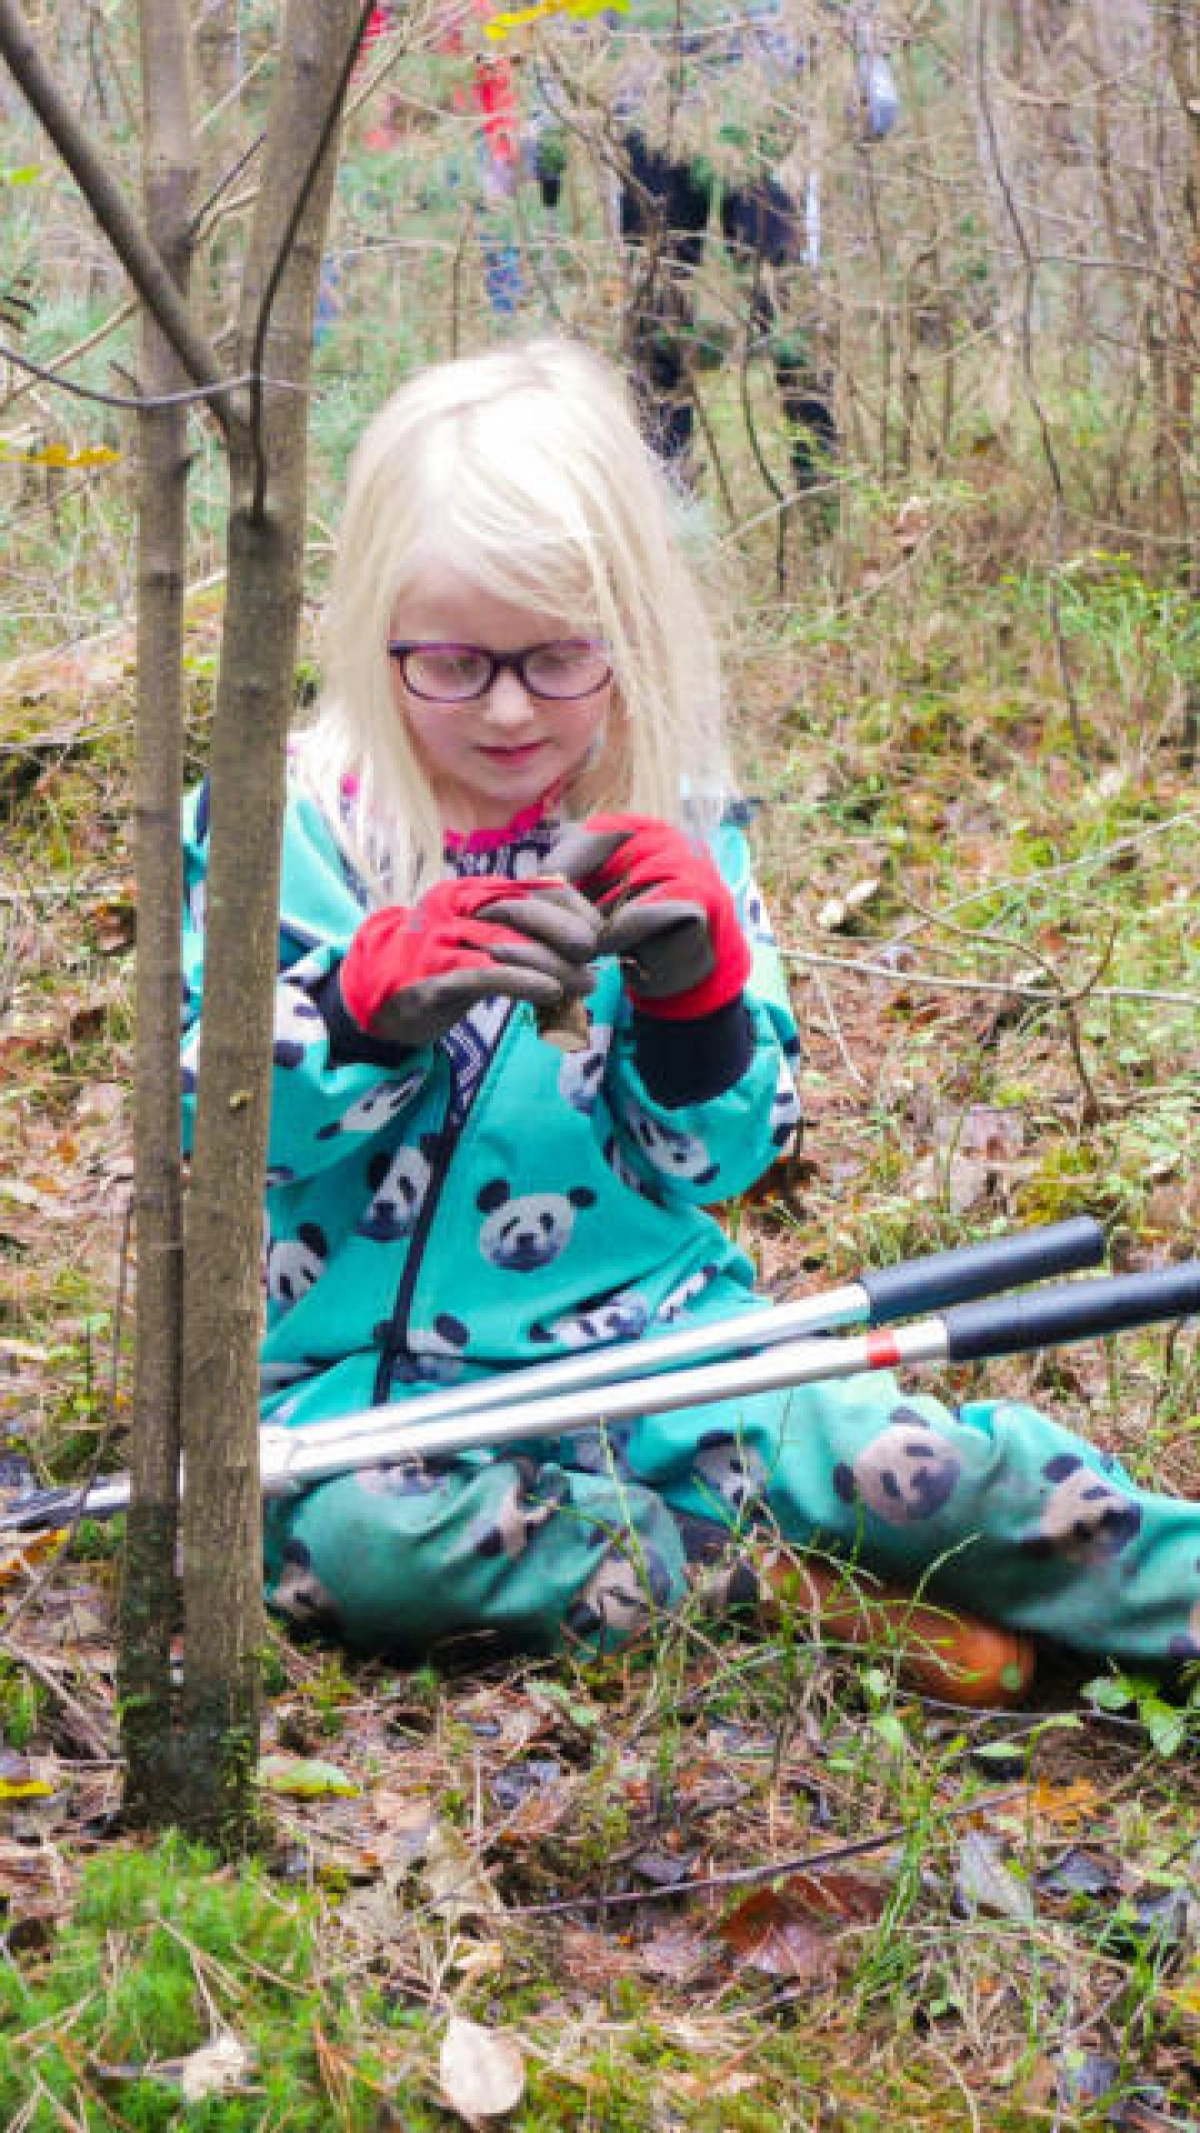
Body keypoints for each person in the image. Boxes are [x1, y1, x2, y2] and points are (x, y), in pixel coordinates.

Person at [181, 339, 1200, 1671]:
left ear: (631, 635)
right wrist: (372, 1003)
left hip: (670, 1356)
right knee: (364, 1551)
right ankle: (786, 1598)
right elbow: (227, 1127)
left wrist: (694, 998)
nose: (502, 711)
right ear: (375, 636)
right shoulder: (287, 825)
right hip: (361, 1403)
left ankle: (1150, 1593)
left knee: (934, 1473)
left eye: (556, 659)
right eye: (450, 664)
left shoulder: (674, 822)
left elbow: (722, 1155)